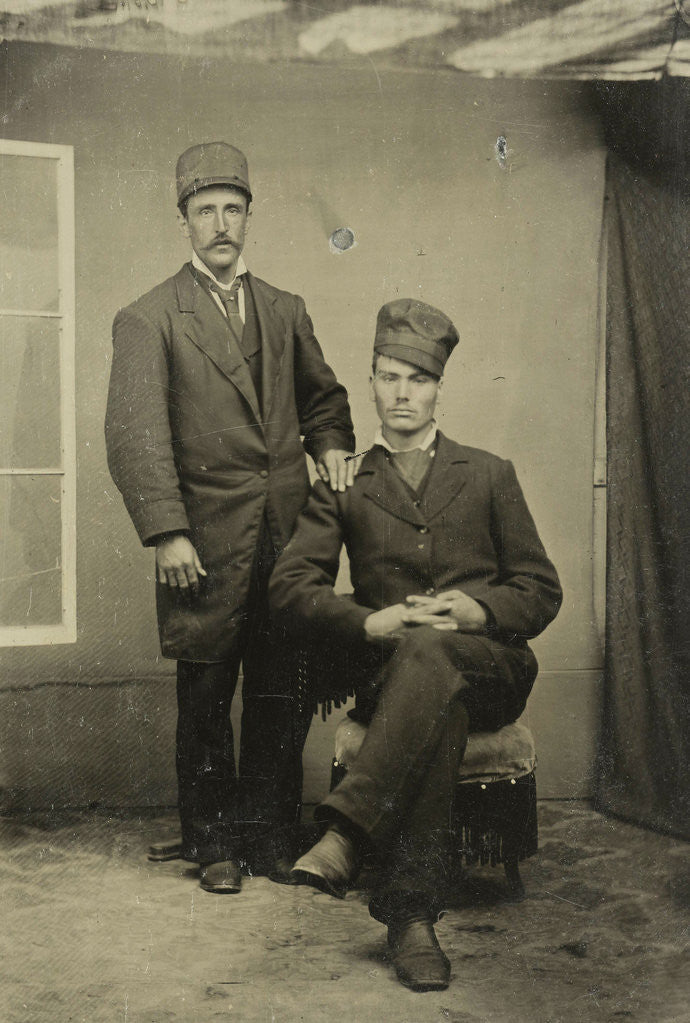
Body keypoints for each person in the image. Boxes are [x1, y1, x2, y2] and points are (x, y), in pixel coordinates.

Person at [268, 298, 562, 991]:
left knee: (436, 654)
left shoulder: (489, 472)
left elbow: (541, 590)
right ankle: (411, 918)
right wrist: (365, 622)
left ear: (438, 388)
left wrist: (479, 608)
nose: (403, 393)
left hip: (492, 664)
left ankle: (346, 831)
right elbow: (290, 586)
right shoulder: (347, 483)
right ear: (369, 383)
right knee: (431, 683)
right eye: (389, 376)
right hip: (399, 673)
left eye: (417, 379)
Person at [105, 142, 355, 893]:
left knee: (278, 694)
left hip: (284, 543)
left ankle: (270, 835)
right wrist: (167, 529)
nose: (220, 223)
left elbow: (324, 399)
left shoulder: (285, 310)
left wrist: (333, 446)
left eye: (232, 209)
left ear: (249, 217)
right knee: (208, 697)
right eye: (205, 209)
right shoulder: (149, 318)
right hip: (202, 545)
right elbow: (134, 434)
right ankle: (212, 843)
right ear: (183, 222)